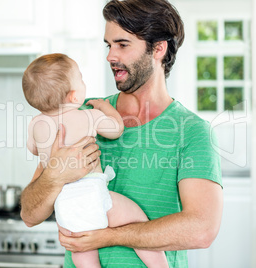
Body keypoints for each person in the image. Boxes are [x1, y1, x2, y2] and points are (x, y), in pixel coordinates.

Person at [20, 0, 223, 267]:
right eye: (109, 45)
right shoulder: (79, 114)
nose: (110, 56)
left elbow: (201, 229)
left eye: (122, 44)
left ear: (158, 48)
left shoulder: (192, 132)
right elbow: (30, 214)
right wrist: (55, 176)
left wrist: (106, 237)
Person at [22, 53, 169, 268]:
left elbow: (33, 148)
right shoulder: (87, 116)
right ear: (73, 96)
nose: (84, 82)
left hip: (64, 204)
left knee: (81, 252)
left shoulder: (36, 123)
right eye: (80, 79)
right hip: (93, 194)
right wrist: (104, 108)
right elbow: (116, 129)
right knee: (137, 220)